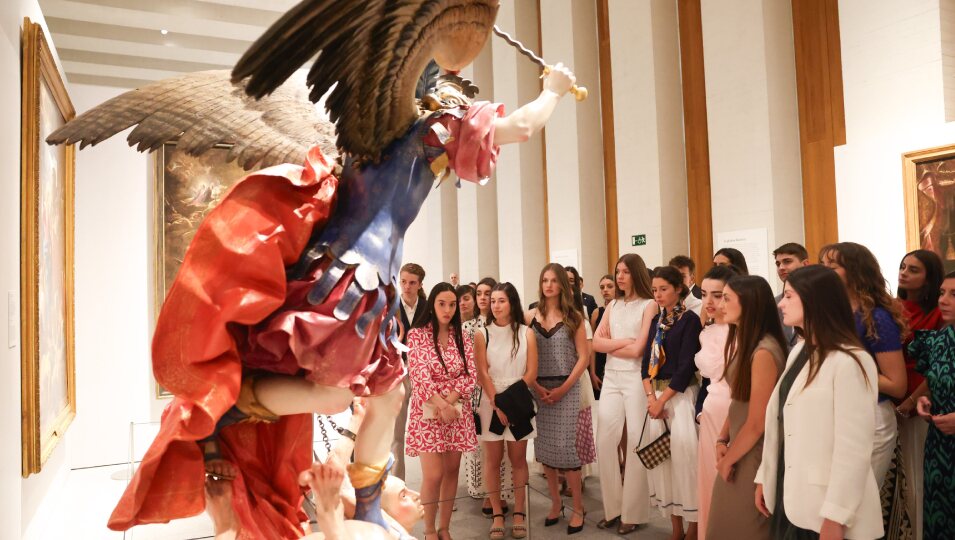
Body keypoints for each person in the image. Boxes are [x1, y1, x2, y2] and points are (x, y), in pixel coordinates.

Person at [758, 265, 883, 539]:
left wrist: (836, 516)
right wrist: (764, 475)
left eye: (789, 296)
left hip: (827, 505)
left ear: (815, 299)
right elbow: (782, 421)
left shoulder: (850, 360)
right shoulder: (800, 350)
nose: (781, 304)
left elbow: (854, 447)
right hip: (791, 492)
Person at [820, 242, 908, 489]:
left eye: (832, 266)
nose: (824, 271)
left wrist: (846, 366)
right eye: (822, 265)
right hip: (838, 412)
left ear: (855, 271)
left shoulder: (876, 317)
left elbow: (897, 385)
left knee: (858, 505)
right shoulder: (832, 312)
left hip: (871, 417)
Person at [706, 276, 787, 540]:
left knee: (744, 527)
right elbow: (740, 400)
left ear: (749, 304)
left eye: (726, 298)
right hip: (739, 446)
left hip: (753, 454)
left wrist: (728, 458)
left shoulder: (763, 351)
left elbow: (757, 421)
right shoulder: (747, 342)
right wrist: (722, 436)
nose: (720, 304)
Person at [405, 283, 478, 540]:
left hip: (457, 412)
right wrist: (442, 404)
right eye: (442, 304)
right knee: (433, 474)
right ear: (432, 304)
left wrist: (453, 399)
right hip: (428, 412)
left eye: (452, 304)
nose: (447, 310)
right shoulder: (417, 335)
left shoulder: (463, 336)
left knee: (451, 471)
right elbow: (419, 376)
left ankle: (444, 527)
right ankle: (427, 530)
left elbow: (471, 375)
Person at [593, 254, 657, 535]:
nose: (619, 277)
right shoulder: (613, 305)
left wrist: (612, 345)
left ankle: (632, 512)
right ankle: (613, 509)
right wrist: (622, 342)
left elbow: (639, 350)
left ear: (637, 274)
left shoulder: (649, 305)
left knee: (635, 442)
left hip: (635, 378)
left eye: (626, 272)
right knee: (604, 440)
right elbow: (596, 342)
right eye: (617, 271)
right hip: (612, 378)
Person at [529, 263, 592, 534]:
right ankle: (555, 504)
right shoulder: (530, 315)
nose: (549, 285)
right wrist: (534, 385)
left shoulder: (575, 317)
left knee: (568, 450)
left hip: (567, 387)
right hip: (538, 388)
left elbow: (584, 357)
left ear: (563, 285)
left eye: (554, 280)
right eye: (545, 280)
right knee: (545, 451)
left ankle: (578, 507)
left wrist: (565, 387)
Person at [641, 266, 703, 540]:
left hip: (680, 397)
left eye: (663, 289)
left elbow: (687, 366)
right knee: (663, 465)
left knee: (685, 463)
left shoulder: (689, 320)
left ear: (678, 289)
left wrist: (662, 399)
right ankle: (675, 528)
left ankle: (693, 527)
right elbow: (646, 364)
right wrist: (651, 398)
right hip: (658, 399)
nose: (658, 295)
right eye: (654, 290)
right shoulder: (658, 321)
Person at [474, 283, 538, 539]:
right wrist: (497, 403)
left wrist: (509, 405)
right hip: (491, 402)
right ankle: (498, 513)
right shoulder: (482, 333)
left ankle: (520, 512)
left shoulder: (526, 333)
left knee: (518, 459)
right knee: (492, 460)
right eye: (493, 301)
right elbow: (482, 372)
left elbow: (531, 373)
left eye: (501, 300)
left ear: (512, 303)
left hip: (519, 398)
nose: (496, 305)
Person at [895, 249, 944, 539]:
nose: (904, 272)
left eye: (914, 269)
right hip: (893, 396)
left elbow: (937, 367)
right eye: (903, 267)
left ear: (929, 278)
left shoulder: (939, 313)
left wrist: (911, 402)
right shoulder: (892, 307)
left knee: (919, 470)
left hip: (924, 398)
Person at [692, 265, 738, 539]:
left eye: (717, 295)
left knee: (729, 486)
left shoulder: (741, 332)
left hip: (733, 416)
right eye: (704, 294)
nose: (709, 302)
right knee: (708, 483)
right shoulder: (707, 331)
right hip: (710, 412)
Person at [910, 270, 955, 540]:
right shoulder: (939, 340)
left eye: (954, 294)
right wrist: (925, 401)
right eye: (941, 293)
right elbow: (934, 381)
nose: (944, 300)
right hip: (939, 452)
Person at [462, 277, 511, 514]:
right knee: (480, 447)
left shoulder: (502, 325)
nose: (483, 298)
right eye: (479, 293)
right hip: (473, 392)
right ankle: (483, 491)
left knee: (501, 447)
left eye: (487, 294)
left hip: (500, 390)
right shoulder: (467, 327)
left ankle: (501, 493)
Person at [394, 262, 428, 480]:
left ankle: (432, 490)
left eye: (412, 282)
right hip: (397, 374)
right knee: (396, 436)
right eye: (403, 281)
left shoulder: (428, 308)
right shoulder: (391, 306)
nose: (407, 286)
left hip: (424, 376)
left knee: (429, 434)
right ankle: (398, 488)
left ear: (420, 284)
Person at [772, 242, 809, 346]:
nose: (781, 268)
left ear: (805, 264)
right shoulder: (775, 303)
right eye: (778, 264)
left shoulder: (818, 300)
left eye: (787, 262)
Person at [589, 274, 616, 399]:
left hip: (617, 357)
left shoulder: (621, 310)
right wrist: (592, 372)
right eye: (602, 287)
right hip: (600, 362)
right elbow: (592, 345)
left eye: (610, 286)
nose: (605, 290)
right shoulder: (596, 312)